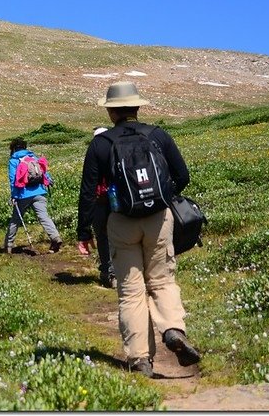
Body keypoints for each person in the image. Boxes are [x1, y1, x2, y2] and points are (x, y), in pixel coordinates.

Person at [76, 81, 200, 378]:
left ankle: (141, 359)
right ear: (137, 106)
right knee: (162, 282)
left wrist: (84, 232)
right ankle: (172, 330)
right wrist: (162, 198)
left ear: (110, 112)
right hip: (159, 218)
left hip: (120, 222)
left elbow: (88, 192)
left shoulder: (101, 143)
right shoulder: (157, 135)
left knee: (131, 292)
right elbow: (182, 175)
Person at [4, 137, 62, 254]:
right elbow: (44, 172)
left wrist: (14, 195)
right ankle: (55, 237)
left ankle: (8, 246)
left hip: (22, 194)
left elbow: (13, 180)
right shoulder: (33, 157)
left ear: (14, 148)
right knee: (44, 217)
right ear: (25, 147)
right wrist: (49, 181)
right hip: (40, 191)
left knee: (15, 220)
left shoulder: (13, 160)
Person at [83, 127, 116, 289]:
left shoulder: (94, 151)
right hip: (120, 200)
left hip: (100, 200)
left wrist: (83, 226)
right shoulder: (118, 149)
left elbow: (89, 185)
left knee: (102, 237)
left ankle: (110, 272)